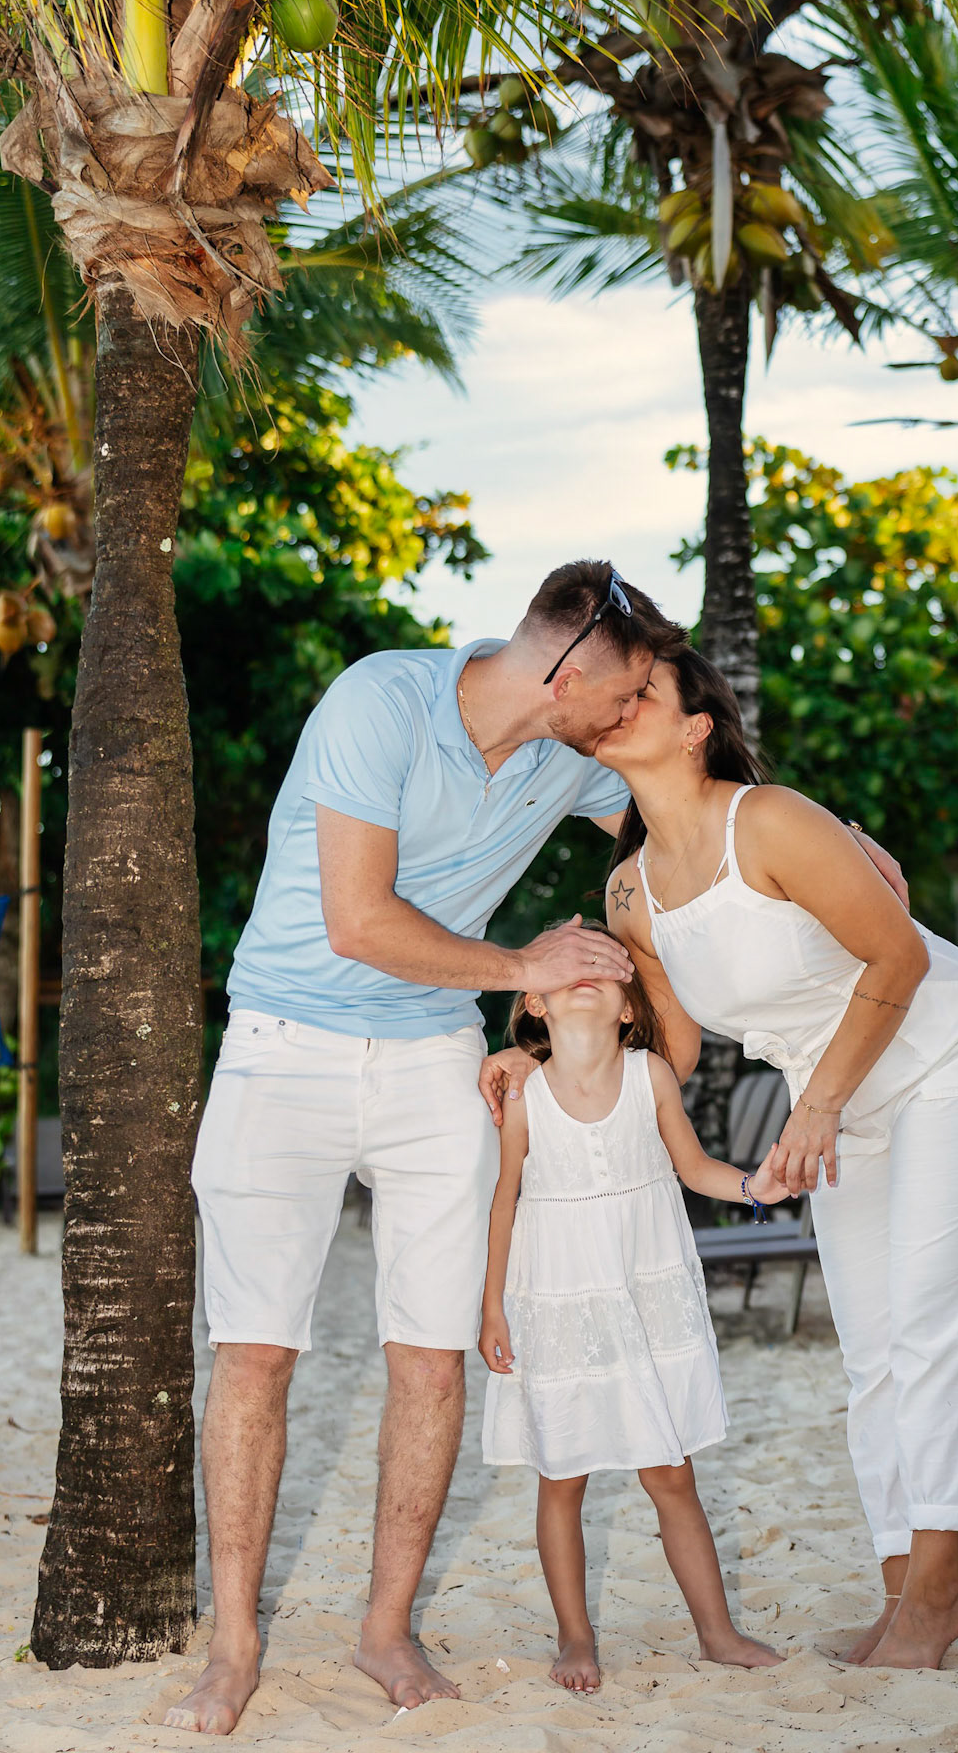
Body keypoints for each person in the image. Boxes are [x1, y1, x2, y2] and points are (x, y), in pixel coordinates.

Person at [165, 561, 687, 1736]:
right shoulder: (380, 701)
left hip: (429, 1060)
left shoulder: (568, 753)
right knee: (254, 1352)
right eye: (623, 691)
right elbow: (359, 919)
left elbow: (685, 803)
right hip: (283, 1043)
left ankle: (385, 1625)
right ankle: (235, 1640)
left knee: (434, 1358)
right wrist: (526, 965)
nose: (627, 717)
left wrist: (806, 833)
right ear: (565, 670)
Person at [484, 647, 958, 1674]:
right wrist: (531, 1059)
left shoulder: (771, 819)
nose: (620, 704)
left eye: (644, 690)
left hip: (953, 1060)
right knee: (872, 1348)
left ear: (696, 725)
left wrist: (818, 1100)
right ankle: (900, 1594)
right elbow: (671, 1050)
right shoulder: (629, 891)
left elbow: (902, 955)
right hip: (839, 1106)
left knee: (931, 1327)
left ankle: (938, 1592)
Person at [478, 926, 790, 1692]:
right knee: (563, 1473)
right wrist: (490, 1309)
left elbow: (694, 1168)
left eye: (603, 974)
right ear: (534, 1004)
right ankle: (575, 1638)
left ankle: (716, 1632)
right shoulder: (523, 1093)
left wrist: (756, 1188)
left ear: (627, 1011)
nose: (585, 979)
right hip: (557, 1291)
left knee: (671, 1472)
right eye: (568, 972)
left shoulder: (651, 1074)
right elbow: (503, 1202)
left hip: (644, 1286)